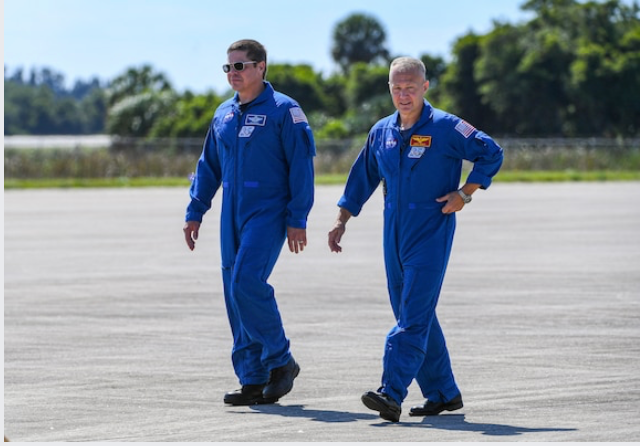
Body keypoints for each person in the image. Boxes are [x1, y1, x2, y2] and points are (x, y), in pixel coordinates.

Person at [327, 57, 503, 422]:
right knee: (414, 312)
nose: (403, 95)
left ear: (425, 87)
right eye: (396, 88)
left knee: (412, 315)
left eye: (410, 87)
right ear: (389, 88)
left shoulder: (447, 127)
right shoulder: (382, 131)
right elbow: (363, 177)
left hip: (431, 229)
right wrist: (342, 218)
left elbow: (492, 153)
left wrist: (465, 193)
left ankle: (391, 392)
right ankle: (443, 392)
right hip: (393, 231)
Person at [184, 39, 316, 406]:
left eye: (240, 66)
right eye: (228, 68)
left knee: (246, 282)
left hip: (269, 210)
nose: (233, 74)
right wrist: (195, 211)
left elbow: (302, 169)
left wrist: (297, 217)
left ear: (261, 67)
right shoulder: (223, 113)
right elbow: (208, 166)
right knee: (233, 290)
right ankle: (253, 378)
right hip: (233, 211)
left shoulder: (285, 111)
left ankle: (281, 360)